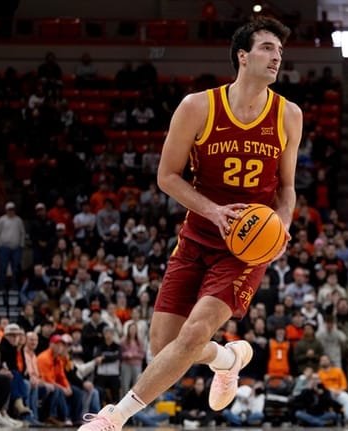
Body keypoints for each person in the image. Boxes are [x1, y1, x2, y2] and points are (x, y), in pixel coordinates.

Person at [78, 16, 301, 431]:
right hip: (199, 234)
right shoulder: (198, 106)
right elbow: (167, 176)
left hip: (246, 246)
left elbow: (286, 189)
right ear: (243, 56)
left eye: (280, 52)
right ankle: (228, 358)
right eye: (268, 48)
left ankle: (114, 417)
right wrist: (213, 211)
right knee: (164, 346)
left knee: (196, 329)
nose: (276, 58)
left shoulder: (289, 114)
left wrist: (283, 224)